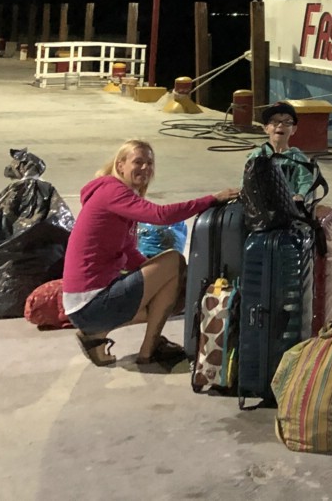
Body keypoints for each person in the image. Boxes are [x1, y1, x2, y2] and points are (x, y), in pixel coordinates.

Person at [62, 139, 239, 369]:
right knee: (174, 260)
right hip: (91, 305)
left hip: (84, 306)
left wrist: (166, 280)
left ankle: (96, 336)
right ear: (120, 165)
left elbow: (129, 252)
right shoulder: (112, 190)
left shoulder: (115, 195)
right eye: (138, 162)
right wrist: (211, 200)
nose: (145, 168)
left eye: (149, 163)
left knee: (172, 288)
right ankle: (149, 349)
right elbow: (161, 215)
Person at [254, 102, 321, 202]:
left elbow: (306, 183)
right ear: (266, 128)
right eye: (274, 121)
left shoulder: (298, 159)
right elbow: (247, 182)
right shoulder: (257, 156)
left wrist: (301, 196)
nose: (280, 125)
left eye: (287, 122)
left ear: (293, 129)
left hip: (289, 205)